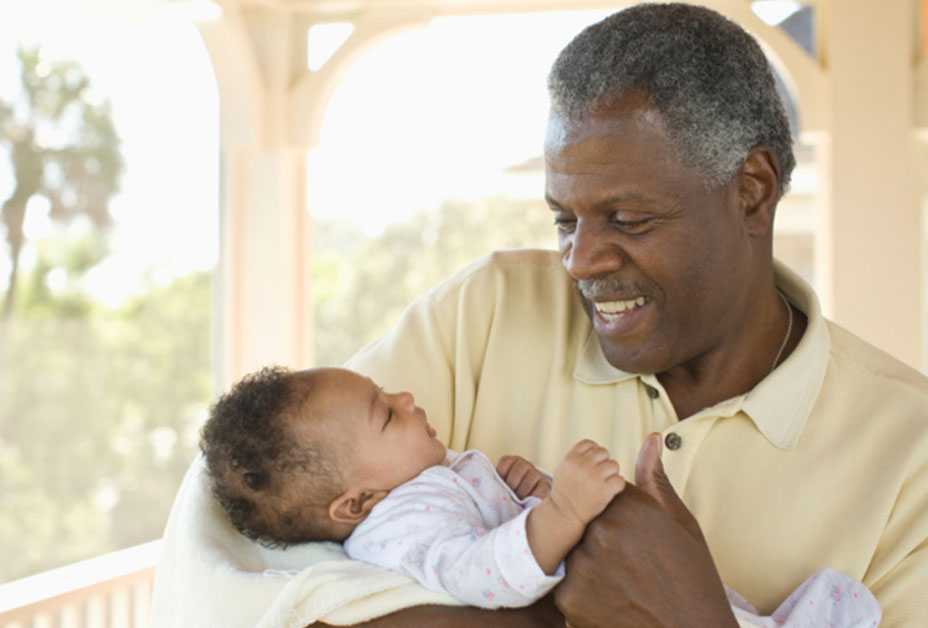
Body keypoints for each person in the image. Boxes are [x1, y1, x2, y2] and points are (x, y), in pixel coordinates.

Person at [152, 4, 927, 627]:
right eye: (565, 219)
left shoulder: (909, 454)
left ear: (752, 189)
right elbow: (228, 539)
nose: (581, 261)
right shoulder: (487, 312)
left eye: (627, 219)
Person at [198, 366, 624, 609]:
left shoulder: (407, 485)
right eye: (386, 415)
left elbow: (495, 534)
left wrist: (528, 498)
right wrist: (564, 511)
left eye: (385, 392)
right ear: (357, 502)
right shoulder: (397, 530)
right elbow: (483, 574)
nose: (405, 398)